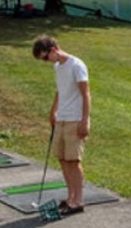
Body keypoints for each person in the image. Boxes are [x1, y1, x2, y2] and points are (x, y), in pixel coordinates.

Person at [32, 35, 90, 215]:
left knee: (73, 160)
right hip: (62, 118)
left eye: (45, 57)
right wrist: (53, 111)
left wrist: (85, 120)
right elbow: (60, 90)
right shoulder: (58, 67)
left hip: (75, 118)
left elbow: (86, 94)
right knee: (62, 158)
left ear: (53, 50)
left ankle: (78, 201)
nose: (45, 61)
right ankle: (70, 197)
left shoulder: (76, 65)